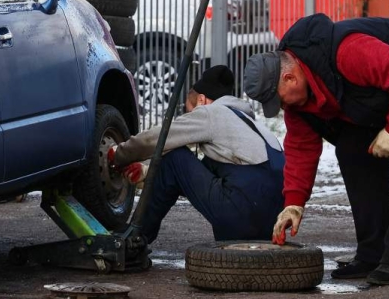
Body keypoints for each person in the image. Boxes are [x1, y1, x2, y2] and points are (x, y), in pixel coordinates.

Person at [244, 14, 389, 286]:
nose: (280, 107)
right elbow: (301, 148)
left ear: (290, 78)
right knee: (352, 150)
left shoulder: (347, 52)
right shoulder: (298, 103)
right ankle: (372, 255)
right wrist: (293, 203)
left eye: (277, 99)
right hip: (384, 88)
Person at [109, 65, 285, 244]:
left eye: (189, 112)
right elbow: (201, 177)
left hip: (242, 213)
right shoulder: (248, 124)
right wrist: (148, 174)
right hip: (273, 222)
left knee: (175, 158)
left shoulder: (211, 113)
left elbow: (156, 138)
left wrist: (120, 154)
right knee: (179, 165)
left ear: (202, 100)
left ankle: (137, 237)